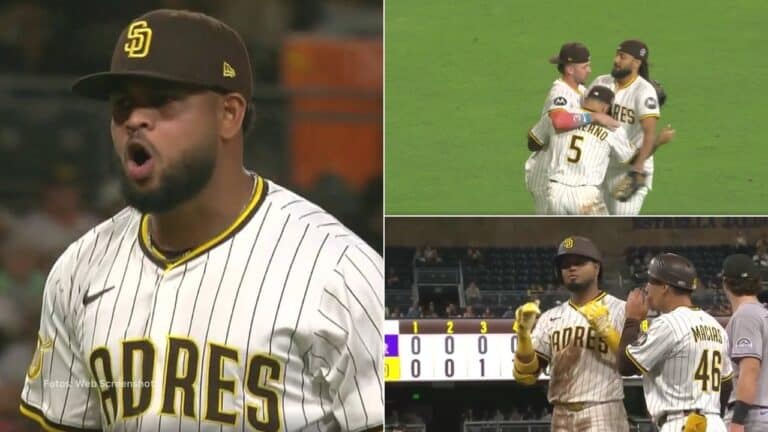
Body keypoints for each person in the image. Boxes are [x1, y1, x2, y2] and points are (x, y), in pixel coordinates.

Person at [19, 9, 383, 432]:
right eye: (122, 105)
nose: (135, 119)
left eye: (162, 100)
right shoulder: (78, 270)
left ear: (229, 114)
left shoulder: (343, 276)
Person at [513, 236, 629, 431]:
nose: (571, 268)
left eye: (579, 262)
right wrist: (523, 335)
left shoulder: (620, 309)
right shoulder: (550, 317)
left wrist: (607, 330)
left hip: (602, 409)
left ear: (596, 268)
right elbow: (527, 375)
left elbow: (635, 362)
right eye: (565, 265)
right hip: (560, 414)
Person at [618, 253, 732, 432]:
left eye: (651, 282)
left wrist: (632, 319)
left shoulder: (668, 324)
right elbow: (726, 385)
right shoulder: (716, 327)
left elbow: (625, 366)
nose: (647, 288)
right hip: (714, 423)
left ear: (664, 287)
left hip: (681, 423)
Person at [545, 85, 672, 214]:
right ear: (606, 108)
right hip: (585, 196)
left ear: (586, 100)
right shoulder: (611, 126)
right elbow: (633, 159)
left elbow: (537, 138)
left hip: (555, 192)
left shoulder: (565, 116)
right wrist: (658, 142)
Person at [525, 42, 619, 214]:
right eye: (584, 66)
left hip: (566, 174)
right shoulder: (560, 93)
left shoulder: (581, 90)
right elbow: (559, 121)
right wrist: (594, 117)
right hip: (545, 176)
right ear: (569, 69)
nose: (589, 70)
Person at [590, 40, 673, 215]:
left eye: (622, 57)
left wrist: (637, 168)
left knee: (620, 223)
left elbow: (649, 134)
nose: (616, 60)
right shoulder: (601, 82)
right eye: (616, 55)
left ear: (636, 63)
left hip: (629, 170)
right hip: (601, 167)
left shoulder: (644, 91)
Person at [720, 254, 768, 431]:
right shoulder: (762, 313)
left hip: (752, 415)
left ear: (725, 283)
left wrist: (737, 421)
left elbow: (750, 369)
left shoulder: (746, 315)